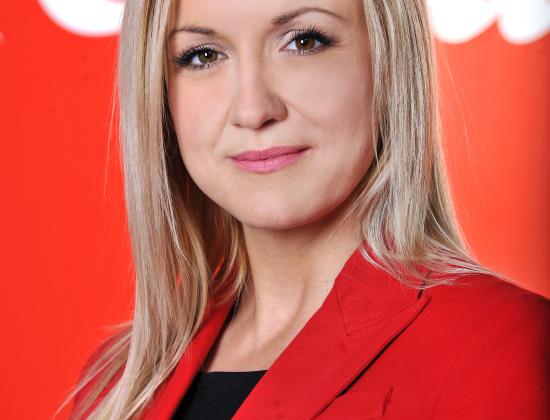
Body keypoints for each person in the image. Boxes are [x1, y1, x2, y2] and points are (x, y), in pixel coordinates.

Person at [58, 0, 550, 419]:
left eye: (304, 41)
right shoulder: (115, 382)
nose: (252, 110)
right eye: (203, 55)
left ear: (390, 59)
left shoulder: (506, 347)